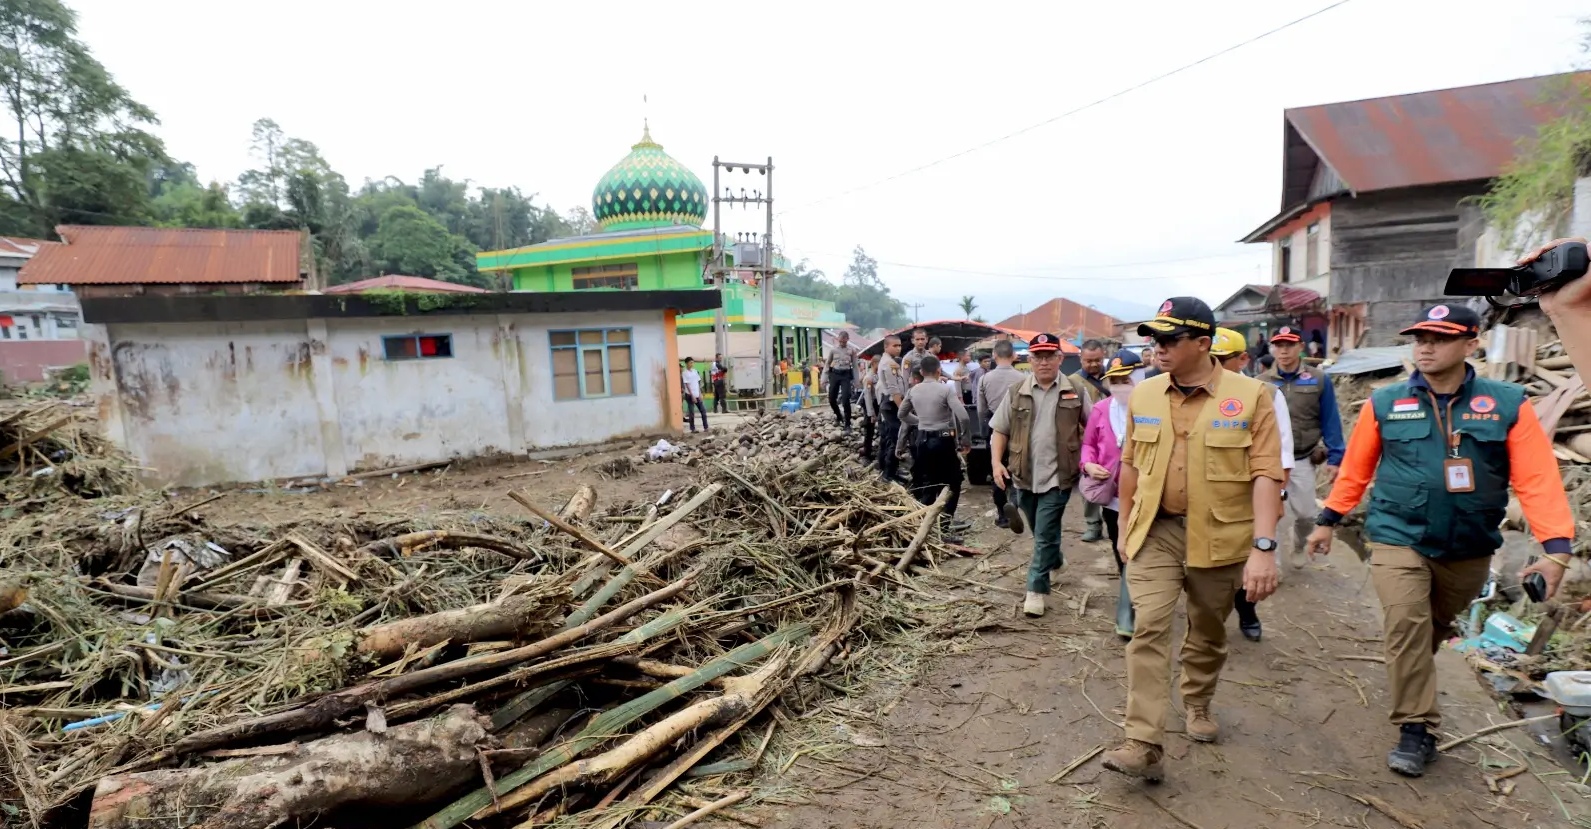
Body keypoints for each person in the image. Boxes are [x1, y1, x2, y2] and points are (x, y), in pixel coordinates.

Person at [1304, 303, 1575, 778]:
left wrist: (1555, 549)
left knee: (1430, 628)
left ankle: (1411, 683)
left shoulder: (1508, 403)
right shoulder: (1385, 403)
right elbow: (1357, 469)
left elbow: (1538, 479)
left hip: (1469, 545)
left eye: (1440, 338)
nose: (1425, 347)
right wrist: (1329, 518)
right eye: (1419, 338)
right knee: (1406, 626)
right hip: (1396, 535)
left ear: (1472, 344)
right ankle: (1416, 729)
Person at [1102, 297, 1283, 782]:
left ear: (1203, 343)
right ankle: (1143, 740)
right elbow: (1131, 465)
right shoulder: (1145, 394)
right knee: (1149, 627)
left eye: (1168, 339)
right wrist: (1123, 526)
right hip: (1155, 529)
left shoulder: (1250, 396)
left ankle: (1198, 699)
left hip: (1220, 536)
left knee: (1206, 630)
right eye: (1154, 339)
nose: (1156, 348)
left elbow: (1267, 473)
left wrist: (1264, 549)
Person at [990, 333, 1092, 617]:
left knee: (1045, 532)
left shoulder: (1076, 391)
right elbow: (1000, 430)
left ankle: (1035, 590)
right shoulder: (1016, 391)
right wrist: (997, 463)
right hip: (1024, 475)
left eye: (1049, 356)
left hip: (1059, 476)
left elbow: (1095, 430)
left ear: (1060, 358)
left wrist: (1091, 461)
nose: (1044, 362)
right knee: (1040, 531)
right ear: (1029, 360)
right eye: (1038, 356)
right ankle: (1056, 560)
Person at [1212, 328, 1295, 643]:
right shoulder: (1193, 393)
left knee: (1250, 557)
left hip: (1252, 494)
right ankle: (1212, 618)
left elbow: (1282, 456)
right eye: (1210, 360)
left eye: (1223, 360)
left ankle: (1247, 610)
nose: (1215, 367)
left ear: (1243, 359)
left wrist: (1278, 497)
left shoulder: (1268, 395)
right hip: (1209, 495)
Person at [1261, 325, 1345, 569]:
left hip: (1302, 457)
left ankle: (1299, 544)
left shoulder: (1318, 379)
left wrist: (1336, 457)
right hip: (1270, 460)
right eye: (1279, 345)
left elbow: (1330, 418)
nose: (1284, 350)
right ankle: (1272, 563)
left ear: (1301, 347)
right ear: (1273, 349)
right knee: (1270, 515)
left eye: (1289, 345)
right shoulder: (1261, 383)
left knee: (1307, 514)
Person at [1079, 349, 1142, 638]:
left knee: (1142, 549)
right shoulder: (1102, 409)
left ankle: (1129, 609)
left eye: (1125, 379)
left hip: (1147, 495)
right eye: (1114, 380)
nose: (1120, 385)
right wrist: (1089, 464)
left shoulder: (1155, 408)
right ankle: (1131, 593)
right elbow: (1089, 444)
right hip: (1113, 495)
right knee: (1121, 547)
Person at [897, 355, 971, 544]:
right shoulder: (945, 389)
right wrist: (964, 437)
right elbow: (963, 416)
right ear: (939, 371)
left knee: (928, 484)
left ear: (921, 372)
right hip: (943, 441)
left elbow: (901, 414)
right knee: (953, 482)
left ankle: (925, 532)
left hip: (922, 442)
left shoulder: (914, 390)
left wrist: (920, 421)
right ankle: (945, 528)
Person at [978, 339, 1028, 531]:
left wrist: (985, 434)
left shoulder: (985, 378)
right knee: (1017, 469)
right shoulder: (1023, 378)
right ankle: (1014, 504)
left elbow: (981, 410)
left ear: (994, 356)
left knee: (997, 470)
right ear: (1014, 356)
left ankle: (1002, 515)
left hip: (995, 427)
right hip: (1019, 428)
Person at [1073, 339, 1111, 543]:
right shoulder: (1073, 382)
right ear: (1081, 358)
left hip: (1113, 441)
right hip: (1085, 441)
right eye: (1088, 361)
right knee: (1089, 482)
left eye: (1097, 360)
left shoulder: (1114, 378)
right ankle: (1092, 524)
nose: (1093, 364)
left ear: (1103, 355)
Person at [876, 335, 908, 485]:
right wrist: (903, 409)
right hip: (892, 404)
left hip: (891, 403)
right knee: (895, 439)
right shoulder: (889, 364)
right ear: (886, 347)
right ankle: (889, 475)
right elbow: (894, 390)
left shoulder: (891, 362)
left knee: (891, 438)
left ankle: (890, 471)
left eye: (900, 345)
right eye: (895, 346)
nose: (898, 348)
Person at [826, 331, 861, 432]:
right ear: (838, 339)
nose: (842, 343)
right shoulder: (833, 350)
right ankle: (838, 415)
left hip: (846, 375)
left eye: (844, 341)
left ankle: (847, 424)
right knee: (832, 399)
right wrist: (824, 378)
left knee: (846, 399)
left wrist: (856, 380)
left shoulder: (852, 351)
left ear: (847, 340)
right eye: (840, 341)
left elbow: (855, 366)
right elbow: (827, 364)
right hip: (835, 374)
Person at [857, 355, 878, 461]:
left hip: (877, 403)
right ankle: (867, 452)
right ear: (874, 363)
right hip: (869, 404)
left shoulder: (879, 375)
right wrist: (871, 413)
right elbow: (868, 396)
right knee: (869, 428)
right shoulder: (869, 377)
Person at [681, 357, 708, 433]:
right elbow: (687, 385)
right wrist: (692, 395)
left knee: (703, 411)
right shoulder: (685, 373)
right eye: (690, 363)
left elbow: (697, 383)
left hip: (697, 394)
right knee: (691, 413)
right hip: (690, 395)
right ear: (686, 363)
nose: (692, 364)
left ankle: (706, 427)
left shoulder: (695, 371)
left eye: (692, 362)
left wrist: (700, 393)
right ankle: (692, 429)